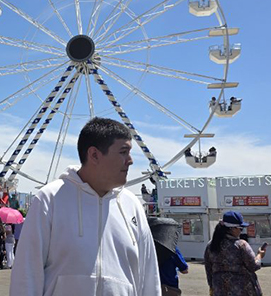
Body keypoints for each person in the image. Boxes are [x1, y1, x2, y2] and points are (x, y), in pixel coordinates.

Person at [10, 117, 161, 295]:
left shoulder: (132, 205)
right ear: (94, 155)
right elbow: (27, 274)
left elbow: (149, 276)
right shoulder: (49, 200)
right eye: (123, 152)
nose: (130, 160)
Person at [204, 211, 265, 296]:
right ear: (232, 228)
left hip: (219, 289)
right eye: (240, 228)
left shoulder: (211, 245)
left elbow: (208, 269)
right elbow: (254, 266)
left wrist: (212, 287)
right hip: (242, 290)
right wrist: (259, 255)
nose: (241, 231)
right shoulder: (241, 245)